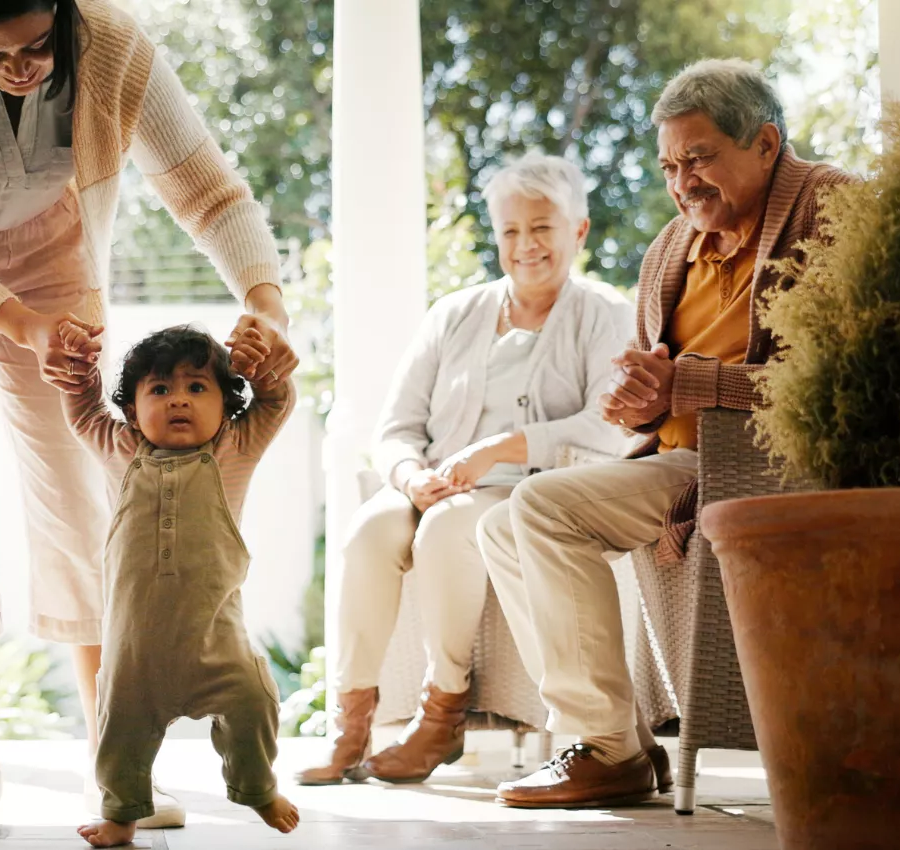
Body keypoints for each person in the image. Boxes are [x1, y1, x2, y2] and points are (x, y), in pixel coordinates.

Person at [0, 0, 298, 838]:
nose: (23, 67)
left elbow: (207, 188)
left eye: (41, 45)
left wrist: (264, 302)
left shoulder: (115, 46)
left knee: (82, 504)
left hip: (51, 259)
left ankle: (107, 760)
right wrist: (15, 322)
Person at [478, 59, 857, 808]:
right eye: (669, 166)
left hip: (777, 464)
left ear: (767, 143)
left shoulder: (833, 209)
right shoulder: (670, 248)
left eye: (701, 157)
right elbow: (662, 390)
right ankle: (611, 737)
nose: (683, 181)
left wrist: (691, 384)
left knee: (539, 509)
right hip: (685, 459)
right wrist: (640, 402)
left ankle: (610, 752)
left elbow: (840, 383)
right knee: (497, 526)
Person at [296, 154, 635, 787]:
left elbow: (608, 425)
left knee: (449, 527)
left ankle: (441, 711)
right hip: (436, 485)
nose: (525, 245)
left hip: (531, 494)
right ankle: (349, 724)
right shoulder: (454, 314)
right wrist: (406, 476)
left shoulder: (603, 312)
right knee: (368, 533)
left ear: (578, 231)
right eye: (510, 230)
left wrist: (501, 448)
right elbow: (395, 429)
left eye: (543, 227)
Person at [56, 323, 298, 847]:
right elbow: (80, 411)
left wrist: (264, 368)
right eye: (159, 389)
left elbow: (275, 401)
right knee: (119, 734)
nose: (178, 401)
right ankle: (121, 815)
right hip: (134, 653)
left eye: (196, 387)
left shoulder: (235, 449)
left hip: (217, 645)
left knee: (255, 701)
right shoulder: (121, 449)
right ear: (132, 410)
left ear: (227, 406)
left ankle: (256, 788)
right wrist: (77, 375)